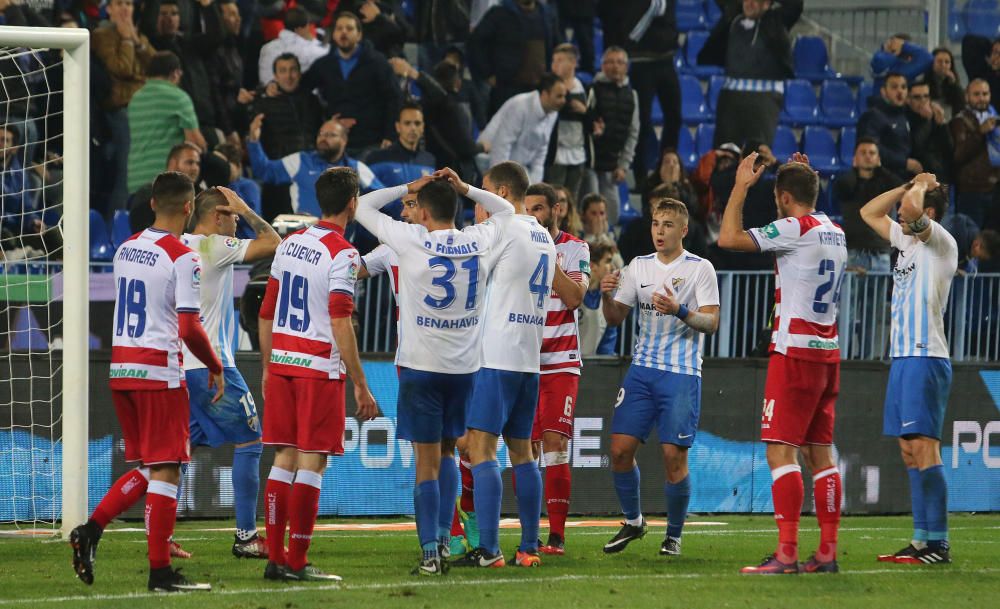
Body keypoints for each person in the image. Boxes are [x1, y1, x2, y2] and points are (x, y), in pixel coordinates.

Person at [353, 172, 514, 575]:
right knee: (446, 453)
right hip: (464, 371)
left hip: (420, 368)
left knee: (425, 462)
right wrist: (466, 189)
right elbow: (508, 209)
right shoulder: (478, 239)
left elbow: (360, 205)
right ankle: (445, 537)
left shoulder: (408, 239)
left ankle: (431, 553)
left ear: (422, 212)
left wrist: (407, 187)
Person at [69, 171, 221, 592]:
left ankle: (91, 530)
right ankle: (160, 573)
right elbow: (189, 327)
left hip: (122, 369)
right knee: (168, 469)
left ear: (153, 203)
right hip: (159, 371)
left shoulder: (126, 249)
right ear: (189, 208)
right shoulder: (183, 256)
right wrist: (215, 365)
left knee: (150, 467)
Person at [718, 153, 847, 575]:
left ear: (784, 196)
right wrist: (800, 175)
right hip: (828, 353)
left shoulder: (795, 228)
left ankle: (787, 553)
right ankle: (827, 553)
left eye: (778, 196)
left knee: (780, 452)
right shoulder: (834, 230)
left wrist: (741, 186)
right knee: (820, 455)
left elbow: (728, 238)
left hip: (794, 353)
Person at [257, 167, 379, 582]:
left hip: (284, 363)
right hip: (317, 368)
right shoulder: (342, 253)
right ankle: (296, 560)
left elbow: (266, 311)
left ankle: (275, 558)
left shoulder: (290, 243)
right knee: (312, 463)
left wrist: (268, 366)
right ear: (353, 204)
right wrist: (361, 383)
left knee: (282, 459)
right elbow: (341, 321)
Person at [599, 198, 720, 557]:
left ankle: (674, 535)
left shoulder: (700, 269)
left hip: (681, 373)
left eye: (667, 224)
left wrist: (680, 310)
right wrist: (607, 296)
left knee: (673, 457)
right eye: (655, 223)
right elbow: (616, 318)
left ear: (683, 230)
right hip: (642, 371)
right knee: (619, 451)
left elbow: (711, 322)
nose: (659, 231)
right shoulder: (638, 267)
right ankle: (634, 522)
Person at [451, 163, 555, 569]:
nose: (479, 206)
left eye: (484, 194)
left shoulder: (506, 227)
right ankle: (529, 548)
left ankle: (489, 550)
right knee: (522, 452)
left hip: (495, 355)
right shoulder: (541, 233)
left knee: (481, 448)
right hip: (528, 357)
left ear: (503, 192)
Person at [859, 175, 958, 565]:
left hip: (926, 355)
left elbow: (912, 211)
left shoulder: (940, 242)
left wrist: (918, 189)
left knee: (924, 447)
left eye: (913, 204)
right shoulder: (906, 241)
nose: (902, 212)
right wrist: (906, 185)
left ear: (929, 213)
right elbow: (869, 211)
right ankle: (920, 541)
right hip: (902, 357)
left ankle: (940, 543)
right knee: (908, 451)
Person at [178, 187, 280, 558]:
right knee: (252, 442)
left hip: (180, 367)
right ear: (219, 215)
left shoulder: (181, 244)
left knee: (175, 454)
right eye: (232, 215)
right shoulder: (214, 247)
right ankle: (246, 536)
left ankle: (148, 533)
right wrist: (249, 209)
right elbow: (273, 241)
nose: (237, 222)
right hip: (212, 367)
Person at [523, 182, 590, 555]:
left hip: (561, 361)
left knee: (555, 444)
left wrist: (546, 255)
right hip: (523, 360)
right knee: (525, 447)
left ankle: (557, 536)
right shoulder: (517, 246)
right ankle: (530, 534)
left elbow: (575, 297)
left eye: (538, 209)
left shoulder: (575, 247)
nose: (531, 215)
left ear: (556, 210)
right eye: (527, 209)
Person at [698, 0, 803, 148]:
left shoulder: (777, 20)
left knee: (758, 157)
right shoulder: (733, 17)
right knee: (725, 155)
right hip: (730, 98)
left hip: (764, 99)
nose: (750, 3)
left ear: (767, 4)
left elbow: (795, 4)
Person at [598, 0, 682, 184]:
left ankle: (668, 169)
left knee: (675, 117)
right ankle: (641, 176)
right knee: (642, 120)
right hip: (640, 62)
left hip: (666, 60)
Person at [301, 12, 402, 156]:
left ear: (359, 35)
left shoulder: (377, 63)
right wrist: (324, 120)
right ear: (334, 34)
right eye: (339, 28)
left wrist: (390, 135)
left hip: (371, 141)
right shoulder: (324, 65)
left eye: (349, 28)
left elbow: (394, 98)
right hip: (335, 143)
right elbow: (302, 89)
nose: (344, 32)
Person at [247, 115, 384, 219]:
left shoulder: (357, 168)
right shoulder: (300, 161)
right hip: (305, 238)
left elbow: (383, 196)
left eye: (331, 135)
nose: (323, 138)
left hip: (343, 240)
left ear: (344, 140)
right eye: (321, 134)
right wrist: (253, 140)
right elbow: (265, 170)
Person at [91, 0, 156, 212]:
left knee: (144, 172)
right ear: (108, 9)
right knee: (126, 174)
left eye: (129, 3)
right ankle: (115, 227)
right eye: (119, 3)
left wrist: (137, 42)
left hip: (144, 110)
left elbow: (157, 67)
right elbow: (122, 69)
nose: (125, 8)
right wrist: (128, 41)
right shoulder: (102, 35)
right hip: (121, 111)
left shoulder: (137, 36)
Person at [249, 52, 323, 221]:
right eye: (283, 71)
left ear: (299, 73)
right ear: (275, 76)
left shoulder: (312, 101)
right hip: (278, 173)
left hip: (308, 172)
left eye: (293, 70)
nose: (288, 76)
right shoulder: (263, 103)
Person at [126, 51, 206, 195]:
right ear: (175, 73)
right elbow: (194, 142)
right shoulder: (178, 97)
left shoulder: (134, 99)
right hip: (166, 184)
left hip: (135, 181)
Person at [468, 0, 560, 115]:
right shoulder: (499, 13)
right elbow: (476, 43)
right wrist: (487, 73)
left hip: (539, 87)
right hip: (508, 88)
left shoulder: (547, 14)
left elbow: (556, 45)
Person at [478, 73, 567, 183]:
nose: (563, 100)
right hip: (488, 161)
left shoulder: (553, 112)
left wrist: (535, 186)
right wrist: (499, 184)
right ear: (544, 94)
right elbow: (501, 146)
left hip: (516, 167)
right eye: (559, 96)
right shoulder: (520, 105)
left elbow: (541, 151)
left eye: (564, 96)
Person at [833, 137, 903, 273]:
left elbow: (899, 187)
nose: (867, 156)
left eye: (872, 153)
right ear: (855, 158)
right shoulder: (847, 182)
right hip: (855, 252)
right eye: (863, 153)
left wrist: (880, 169)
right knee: (853, 295)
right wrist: (855, 170)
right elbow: (842, 189)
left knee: (879, 295)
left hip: (881, 253)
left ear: (878, 158)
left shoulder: (885, 182)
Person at [587, 47, 640, 227]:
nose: (615, 66)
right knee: (591, 208)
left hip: (612, 165)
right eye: (610, 62)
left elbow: (633, 133)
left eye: (619, 62)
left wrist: (623, 165)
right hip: (591, 164)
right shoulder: (592, 90)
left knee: (612, 213)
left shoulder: (632, 95)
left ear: (626, 66)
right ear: (602, 65)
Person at [949, 79, 1000, 228]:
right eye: (976, 94)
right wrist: (980, 133)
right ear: (967, 97)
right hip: (972, 192)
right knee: (972, 240)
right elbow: (958, 156)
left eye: (985, 94)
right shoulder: (959, 121)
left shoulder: (995, 118)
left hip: (996, 188)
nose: (981, 98)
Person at [366, 101, 437, 204]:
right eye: (407, 123)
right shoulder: (377, 158)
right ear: (398, 127)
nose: (413, 128)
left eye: (417, 123)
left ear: (422, 127)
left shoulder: (429, 160)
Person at [544, 43, 590, 201]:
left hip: (578, 151)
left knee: (572, 199)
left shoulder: (584, 87)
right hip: (556, 152)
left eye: (559, 60)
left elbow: (595, 117)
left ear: (573, 63)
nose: (554, 65)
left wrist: (585, 112)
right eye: (553, 60)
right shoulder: (547, 85)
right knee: (553, 198)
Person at [129, 142, 203, 233]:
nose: (195, 168)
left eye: (198, 164)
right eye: (190, 162)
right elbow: (140, 228)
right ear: (173, 163)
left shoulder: (201, 195)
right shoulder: (149, 192)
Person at [858, 72, 921, 179]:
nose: (900, 91)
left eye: (903, 87)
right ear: (883, 91)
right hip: (880, 178)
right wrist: (904, 163)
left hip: (903, 176)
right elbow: (872, 149)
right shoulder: (873, 116)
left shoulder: (905, 115)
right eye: (894, 87)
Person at [256, 7, 329, 86]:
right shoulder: (309, 50)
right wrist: (312, 40)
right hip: (293, 95)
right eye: (308, 26)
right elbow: (327, 53)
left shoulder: (266, 48)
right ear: (300, 29)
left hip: (266, 94)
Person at [906, 79, 953, 182]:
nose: (923, 101)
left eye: (926, 96)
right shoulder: (904, 118)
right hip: (916, 178)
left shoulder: (935, 116)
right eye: (917, 97)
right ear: (908, 99)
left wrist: (942, 124)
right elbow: (916, 148)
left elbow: (949, 149)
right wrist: (926, 121)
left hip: (939, 175)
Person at [578, 240, 619, 356]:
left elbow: (606, 350)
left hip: (592, 370)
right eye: (608, 261)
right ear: (592, 266)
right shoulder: (571, 295)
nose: (613, 267)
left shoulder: (609, 305)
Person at [926, 47, 965, 120]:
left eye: (947, 62)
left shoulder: (954, 83)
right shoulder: (924, 80)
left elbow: (961, 106)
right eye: (939, 61)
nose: (943, 65)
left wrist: (954, 84)